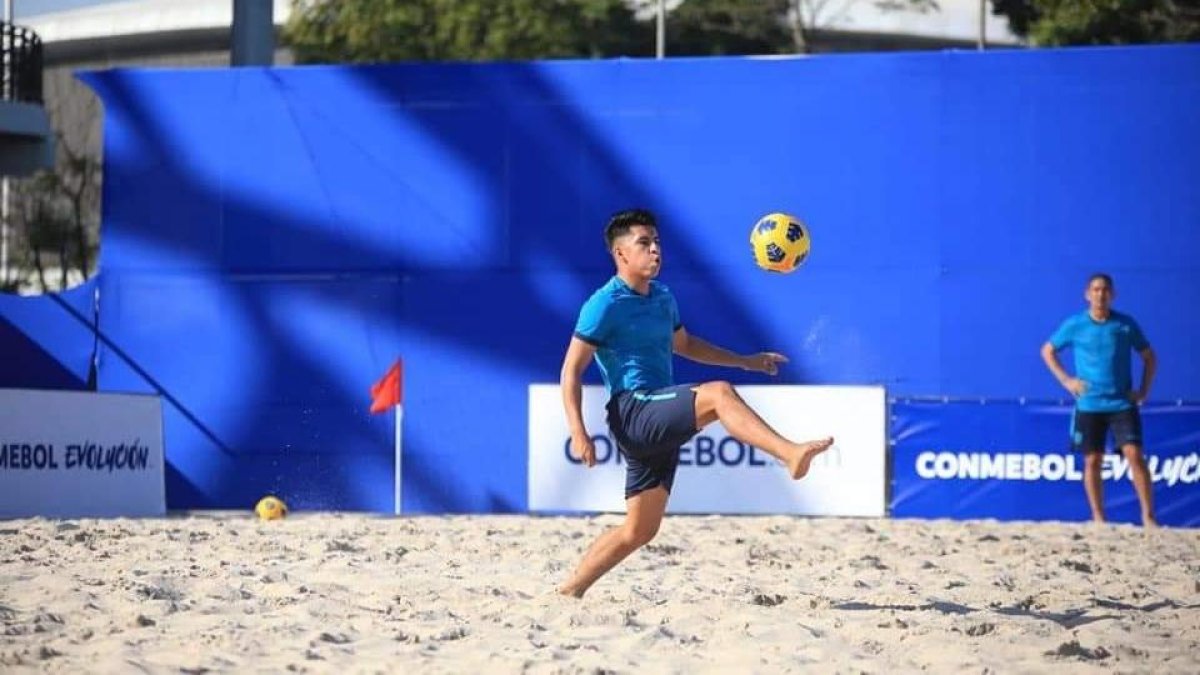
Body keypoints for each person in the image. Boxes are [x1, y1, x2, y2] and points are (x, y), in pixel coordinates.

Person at [558, 208, 834, 598]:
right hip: (634, 409)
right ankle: (789, 453)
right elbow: (571, 370)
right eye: (644, 243)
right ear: (620, 254)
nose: (655, 250)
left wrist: (746, 360)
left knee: (639, 530)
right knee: (719, 393)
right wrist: (577, 431)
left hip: (657, 413)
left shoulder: (663, 297)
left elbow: (685, 345)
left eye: (657, 242)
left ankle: (570, 590)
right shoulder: (604, 304)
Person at [1040, 273, 1158, 527]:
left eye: (1105, 290)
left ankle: (1148, 516)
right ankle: (1098, 517)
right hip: (1089, 404)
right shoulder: (1075, 324)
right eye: (1095, 289)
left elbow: (1149, 356)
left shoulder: (1124, 325)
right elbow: (1048, 350)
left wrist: (1143, 391)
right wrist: (1067, 381)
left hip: (1121, 403)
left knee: (1134, 454)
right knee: (1092, 459)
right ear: (1087, 294)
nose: (1100, 294)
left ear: (1112, 294)